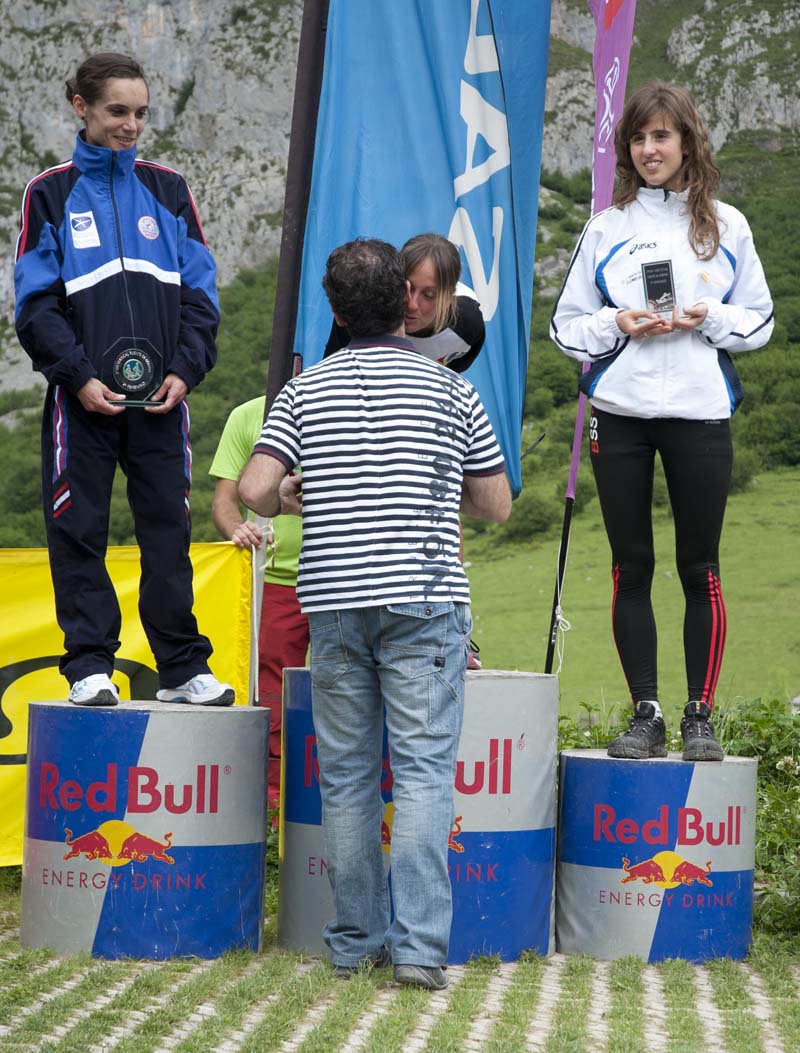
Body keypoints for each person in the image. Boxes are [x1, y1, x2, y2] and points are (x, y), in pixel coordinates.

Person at [239, 238, 511, 989]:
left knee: (348, 777)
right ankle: (419, 952)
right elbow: (495, 504)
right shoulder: (450, 390)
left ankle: (356, 942)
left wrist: (294, 490)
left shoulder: (305, 390)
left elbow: (256, 489)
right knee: (422, 774)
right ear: (402, 301)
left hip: (332, 602)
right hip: (424, 599)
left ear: (335, 310)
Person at [551, 82, 773, 762]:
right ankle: (645, 714)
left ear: (686, 142)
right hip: (620, 415)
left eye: (662, 136)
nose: (650, 150)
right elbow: (565, 327)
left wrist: (712, 319)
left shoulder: (727, 225)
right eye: (639, 138)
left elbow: (760, 320)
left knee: (700, 566)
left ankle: (699, 715)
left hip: (700, 413)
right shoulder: (606, 227)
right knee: (632, 566)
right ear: (627, 148)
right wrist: (615, 322)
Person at [14, 52, 233, 708]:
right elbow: (35, 305)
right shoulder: (49, 193)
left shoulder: (169, 190)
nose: (130, 125)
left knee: (167, 530)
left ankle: (181, 669)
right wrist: (78, 377)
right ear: (80, 107)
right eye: (117, 111)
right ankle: (89, 665)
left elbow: (201, 295)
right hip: (82, 401)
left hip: (162, 400)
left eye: (140, 113)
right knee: (78, 528)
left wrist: (186, 369)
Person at [326, 232, 487, 667]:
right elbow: (334, 373)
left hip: (422, 414)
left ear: (448, 296)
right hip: (368, 415)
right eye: (408, 290)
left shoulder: (468, 325)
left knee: (441, 512)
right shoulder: (372, 307)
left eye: (429, 295)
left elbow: (452, 377)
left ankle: (456, 633)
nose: (413, 305)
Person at [209, 396, 308, 809]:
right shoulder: (248, 414)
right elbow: (224, 502)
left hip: (346, 576)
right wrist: (237, 528)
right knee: (271, 691)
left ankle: (333, 801)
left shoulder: (355, 400)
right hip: (275, 578)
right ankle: (273, 803)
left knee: (352, 688)